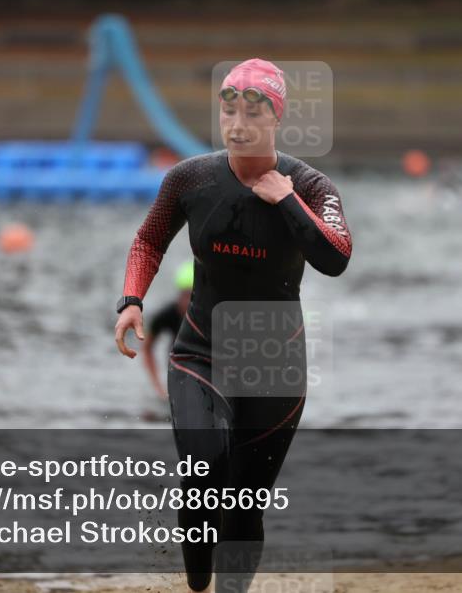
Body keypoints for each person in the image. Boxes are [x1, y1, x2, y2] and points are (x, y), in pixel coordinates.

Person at [114, 58, 352, 592]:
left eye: (252, 111)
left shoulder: (311, 186)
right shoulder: (191, 177)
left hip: (275, 367)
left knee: (245, 505)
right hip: (201, 352)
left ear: (276, 119)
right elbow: (150, 238)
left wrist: (286, 200)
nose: (238, 123)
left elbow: (336, 257)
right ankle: (198, 578)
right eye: (228, 110)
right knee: (205, 475)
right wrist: (131, 299)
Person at [141, 260, 194, 399]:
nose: (187, 302)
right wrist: (158, 387)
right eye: (185, 295)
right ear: (179, 294)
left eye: (193, 296)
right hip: (176, 368)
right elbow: (147, 348)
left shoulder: (211, 315)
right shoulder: (166, 315)